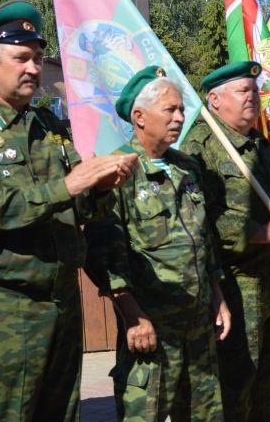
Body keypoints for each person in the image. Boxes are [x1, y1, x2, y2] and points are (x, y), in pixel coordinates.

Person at [0, 0, 139, 421]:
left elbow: (79, 205)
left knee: (61, 413)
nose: (33, 68)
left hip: (61, 299)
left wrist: (100, 186)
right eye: (22, 58)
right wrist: (67, 186)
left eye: (38, 58)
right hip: (6, 304)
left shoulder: (48, 126)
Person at [84, 66, 230, 420]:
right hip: (151, 327)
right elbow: (104, 253)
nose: (180, 117)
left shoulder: (186, 168)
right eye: (170, 110)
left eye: (181, 109)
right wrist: (133, 315)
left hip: (197, 326)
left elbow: (203, 239)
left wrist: (217, 295)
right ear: (139, 116)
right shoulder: (115, 171)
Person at [183, 61, 270, 422]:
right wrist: (257, 233)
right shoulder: (200, 147)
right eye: (243, 91)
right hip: (239, 285)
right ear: (214, 99)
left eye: (255, 91)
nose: (253, 98)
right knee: (239, 381)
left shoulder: (259, 144)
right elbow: (198, 216)